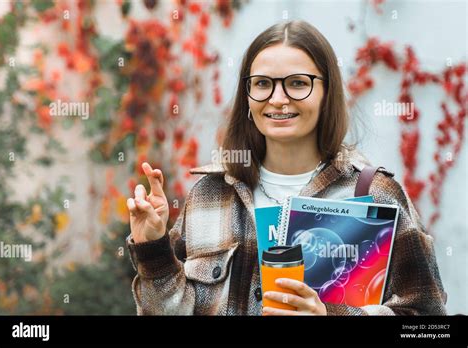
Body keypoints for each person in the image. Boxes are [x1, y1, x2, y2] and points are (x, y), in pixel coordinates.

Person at [126, 20, 447, 315]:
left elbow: (427, 323)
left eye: (297, 83)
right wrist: (153, 249)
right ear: (248, 96)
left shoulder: (374, 194)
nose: (278, 99)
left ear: (326, 93)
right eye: (263, 83)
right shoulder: (210, 194)